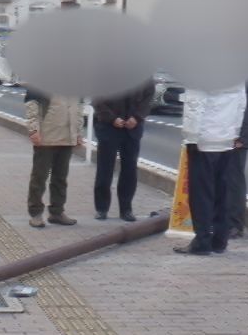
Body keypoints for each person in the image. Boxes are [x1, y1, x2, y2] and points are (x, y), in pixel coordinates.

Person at [175, 77, 247, 256]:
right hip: (226, 138)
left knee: (201, 194)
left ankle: (202, 241)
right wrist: (235, 132)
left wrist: (191, 137)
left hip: (204, 140)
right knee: (222, 192)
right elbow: (241, 104)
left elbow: (195, 105)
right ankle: (220, 240)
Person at [92, 80, 153, 222]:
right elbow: (97, 99)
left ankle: (126, 209)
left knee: (130, 169)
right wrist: (111, 118)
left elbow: (148, 98)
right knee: (104, 168)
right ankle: (101, 208)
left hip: (133, 128)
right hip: (108, 126)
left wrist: (137, 117)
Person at [23, 85, 82, 229]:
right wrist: (33, 129)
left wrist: (78, 132)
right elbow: (32, 105)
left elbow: (78, 109)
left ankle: (57, 212)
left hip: (67, 136)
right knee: (40, 176)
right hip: (46, 135)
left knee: (61, 178)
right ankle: (36, 213)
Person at [222, 73, 248, 239]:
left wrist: (241, 136)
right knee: (221, 178)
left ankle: (235, 224)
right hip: (221, 132)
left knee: (233, 179)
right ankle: (221, 220)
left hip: (237, 135)